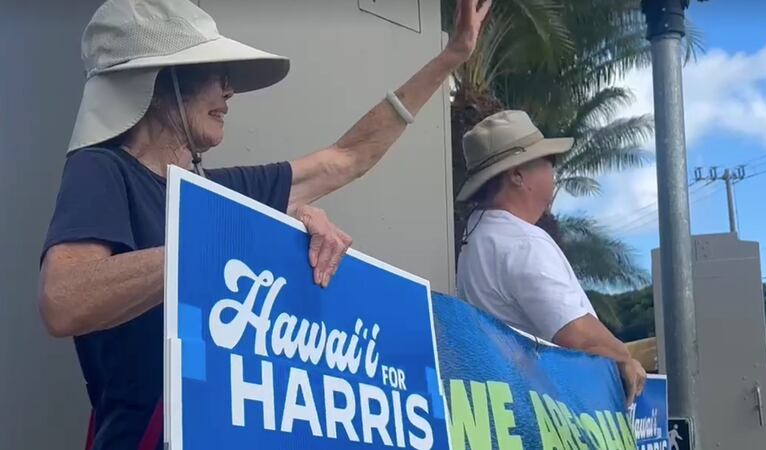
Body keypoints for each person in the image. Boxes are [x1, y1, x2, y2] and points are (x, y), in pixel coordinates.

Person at [37, 0, 491, 448]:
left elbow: (348, 158)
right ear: (160, 82)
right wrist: (227, 238)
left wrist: (450, 57)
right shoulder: (100, 169)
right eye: (216, 74)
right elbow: (64, 299)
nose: (229, 91)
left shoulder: (210, 195)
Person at [455, 110, 646, 405]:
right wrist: (624, 358)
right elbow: (576, 334)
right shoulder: (521, 242)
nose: (553, 170)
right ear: (517, 175)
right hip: (544, 410)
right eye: (547, 161)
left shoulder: (480, 236)